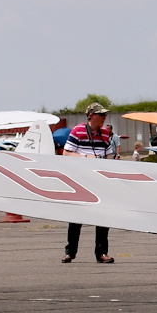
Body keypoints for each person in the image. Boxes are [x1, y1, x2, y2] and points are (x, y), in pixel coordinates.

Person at [62, 102, 116, 263]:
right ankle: (70, 251)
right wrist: (87, 159)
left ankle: (101, 253)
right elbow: (66, 153)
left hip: (99, 180)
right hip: (81, 180)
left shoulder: (106, 134)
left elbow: (109, 156)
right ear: (91, 115)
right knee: (76, 217)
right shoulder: (77, 131)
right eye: (101, 115)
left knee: (103, 217)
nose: (104, 118)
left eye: (105, 115)